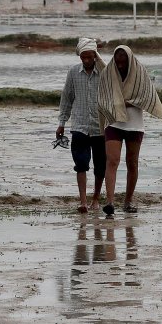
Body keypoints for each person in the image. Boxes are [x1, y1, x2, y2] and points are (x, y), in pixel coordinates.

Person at [97, 45, 162, 218]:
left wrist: (121, 102)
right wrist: (118, 103)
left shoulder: (139, 73)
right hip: (114, 124)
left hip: (135, 125)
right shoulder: (108, 73)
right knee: (112, 161)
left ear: (129, 60)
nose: (120, 65)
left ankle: (128, 201)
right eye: (117, 62)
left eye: (123, 62)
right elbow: (104, 97)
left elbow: (145, 96)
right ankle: (110, 202)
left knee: (132, 163)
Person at [57, 37, 107, 214]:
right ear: (80, 57)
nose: (86, 60)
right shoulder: (73, 73)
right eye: (83, 57)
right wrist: (62, 123)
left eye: (89, 57)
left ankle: (96, 199)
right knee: (80, 163)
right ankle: (83, 201)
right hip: (79, 126)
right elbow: (67, 98)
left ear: (95, 56)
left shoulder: (104, 73)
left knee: (100, 165)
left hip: (100, 127)